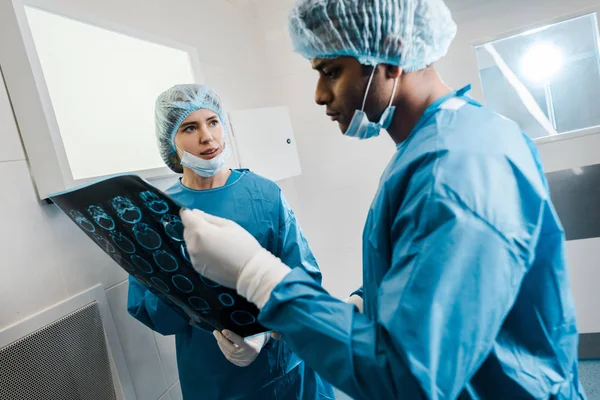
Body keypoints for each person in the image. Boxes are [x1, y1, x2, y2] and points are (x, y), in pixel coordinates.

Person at [177, 1, 588, 399]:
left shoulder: (454, 168)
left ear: (390, 53)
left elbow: (410, 380)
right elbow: (424, 274)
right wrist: (363, 302)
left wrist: (258, 275)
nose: (320, 95)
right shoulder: (441, 143)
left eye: (331, 71)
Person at [127, 84, 335, 400]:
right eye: (189, 127)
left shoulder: (264, 195)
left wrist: (265, 333)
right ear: (170, 141)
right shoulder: (159, 214)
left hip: (287, 372)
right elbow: (151, 312)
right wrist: (185, 275)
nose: (207, 137)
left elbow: (303, 280)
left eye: (213, 122)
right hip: (213, 381)